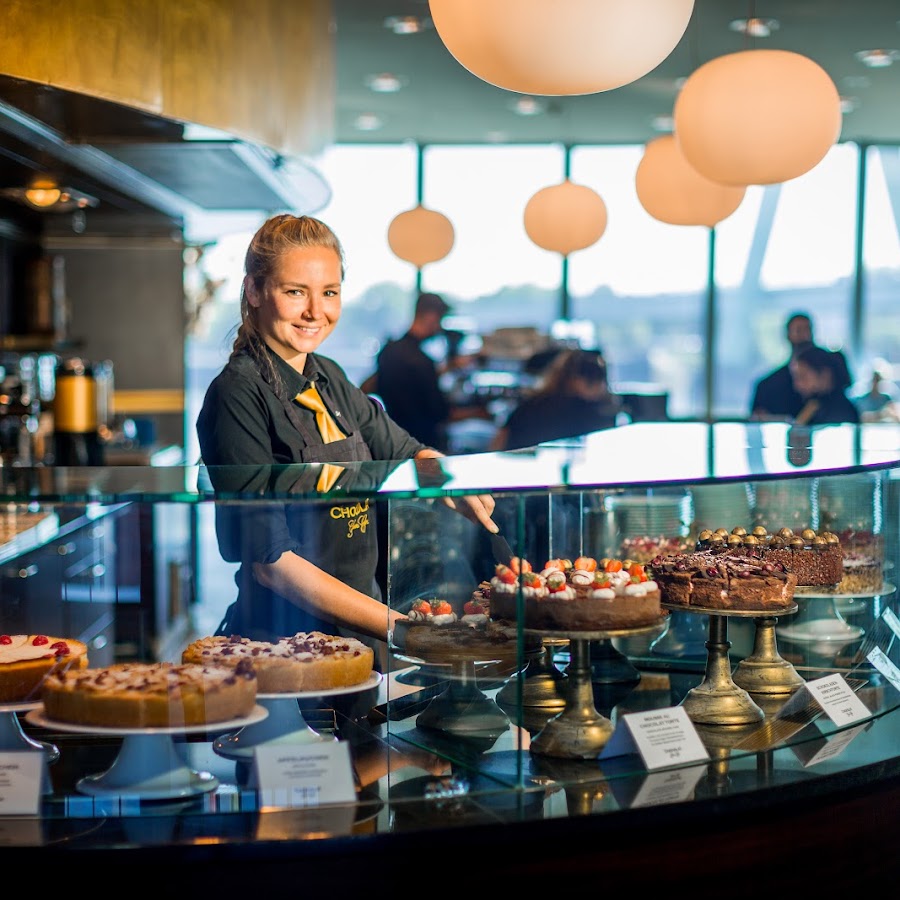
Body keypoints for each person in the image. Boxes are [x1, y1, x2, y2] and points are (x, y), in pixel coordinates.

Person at [196, 214, 498, 655]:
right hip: (288, 648)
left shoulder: (329, 378)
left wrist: (448, 483)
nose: (316, 312)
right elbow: (270, 564)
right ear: (255, 290)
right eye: (295, 291)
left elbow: (405, 450)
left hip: (363, 636)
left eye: (329, 293)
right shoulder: (237, 394)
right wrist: (403, 629)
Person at [371, 292, 487, 452]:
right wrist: (480, 413)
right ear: (431, 317)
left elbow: (409, 381)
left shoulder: (389, 351)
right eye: (440, 320)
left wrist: (450, 366)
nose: (440, 327)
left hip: (393, 442)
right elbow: (442, 414)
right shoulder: (421, 361)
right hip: (423, 446)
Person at [489, 348, 621, 451]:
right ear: (572, 378)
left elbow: (498, 444)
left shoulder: (532, 404)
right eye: (590, 378)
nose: (599, 385)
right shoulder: (599, 416)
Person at [749, 312, 815, 421]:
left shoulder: (832, 373)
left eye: (807, 330)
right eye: (798, 330)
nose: (805, 335)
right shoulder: (768, 386)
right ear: (788, 335)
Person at [789, 344, 860, 426]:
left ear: (825, 375)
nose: (797, 385)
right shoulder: (813, 405)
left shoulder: (841, 412)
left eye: (803, 377)